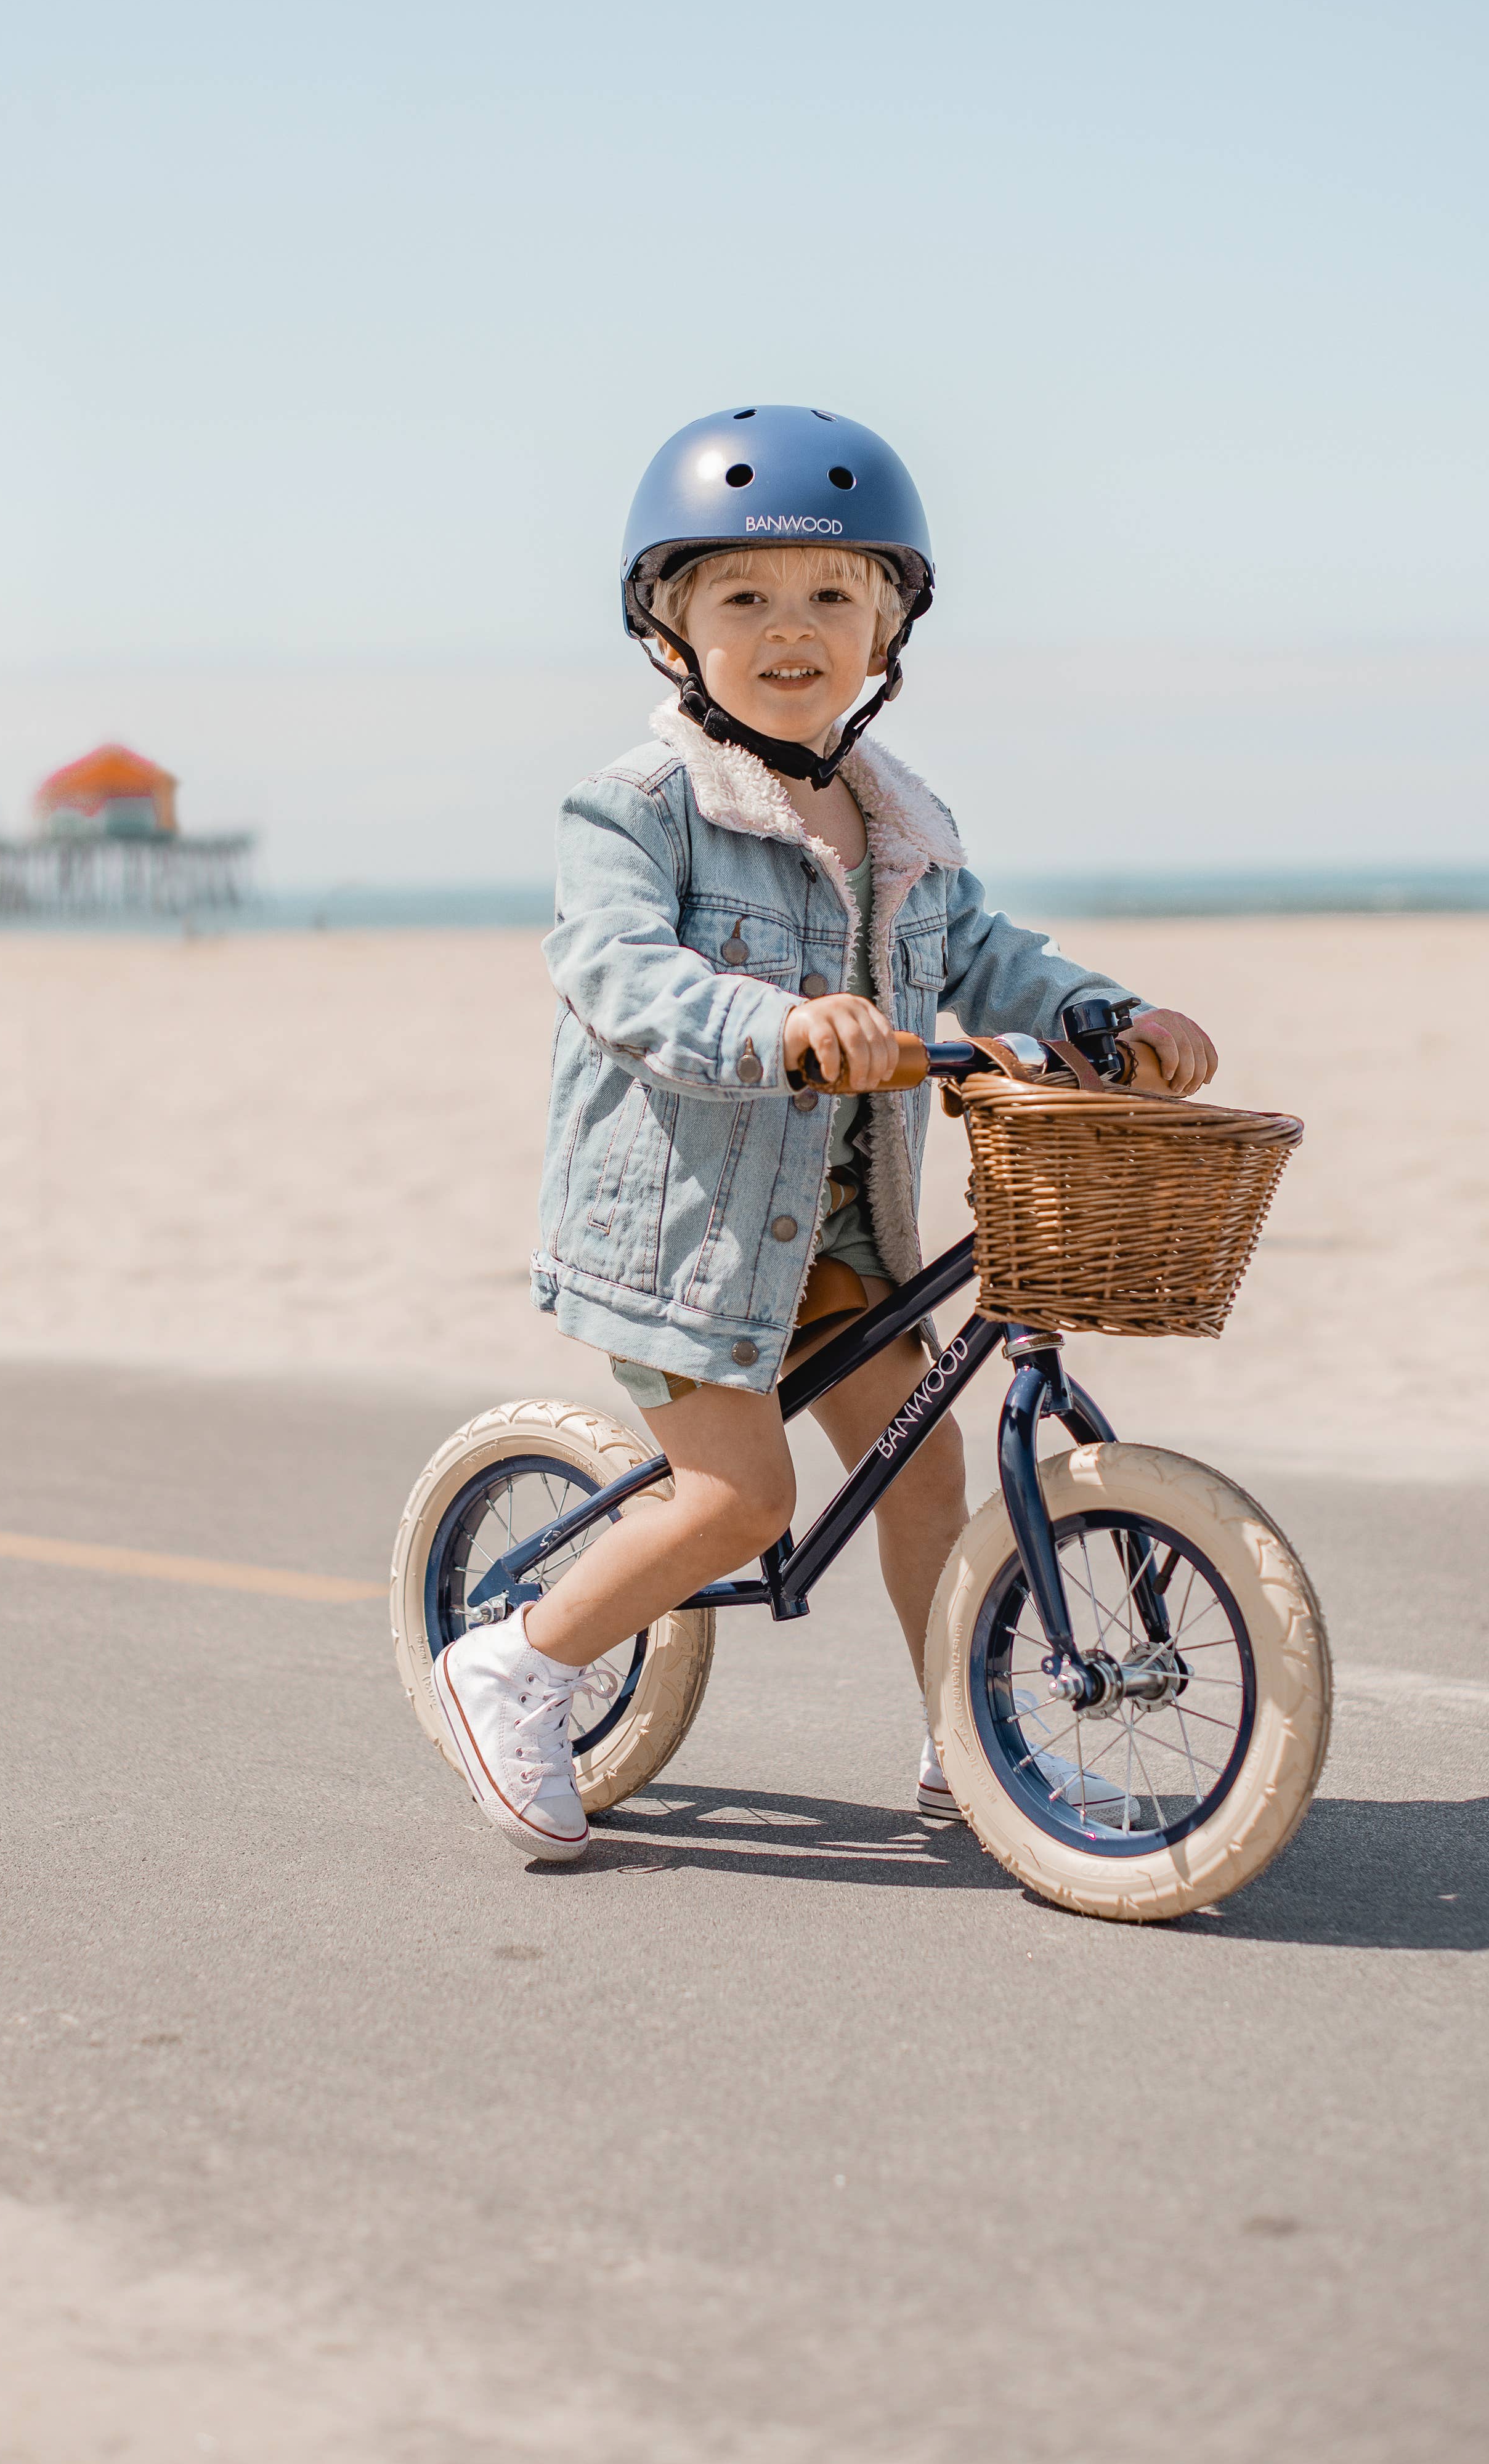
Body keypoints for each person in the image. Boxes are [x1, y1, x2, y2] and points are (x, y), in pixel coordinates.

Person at [434, 407, 1217, 1860]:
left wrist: (1112, 1011)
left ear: (885, 629)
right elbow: (614, 969)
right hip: (685, 1230)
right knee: (740, 1497)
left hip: (848, 1229)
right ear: (671, 631)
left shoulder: (900, 823)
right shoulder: (638, 806)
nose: (790, 630)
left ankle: (965, 1741)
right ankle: (514, 1664)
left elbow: (989, 957)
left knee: (927, 1473)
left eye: (831, 597)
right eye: (742, 598)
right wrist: (770, 1022)